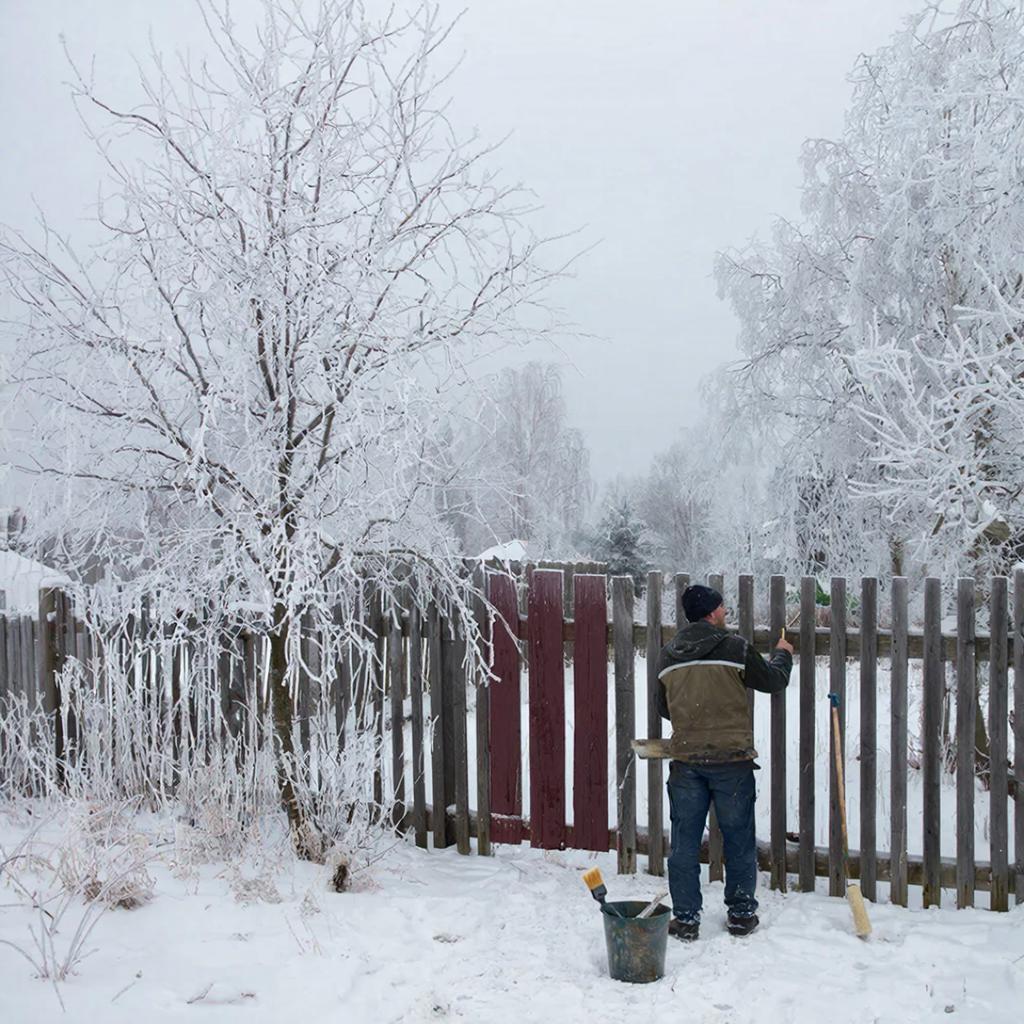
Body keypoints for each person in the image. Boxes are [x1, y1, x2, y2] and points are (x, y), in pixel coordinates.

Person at [656, 584, 793, 940]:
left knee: (684, 842)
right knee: (738, 837)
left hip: (687, 760)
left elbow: (663, 707)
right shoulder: (734, 648)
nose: (726, 611)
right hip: (731, 760)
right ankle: (741, 914)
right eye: (722, 607)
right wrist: (783, 653)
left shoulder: (669, 654)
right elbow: (774, 681)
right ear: (712, 612)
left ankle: (686, 919)